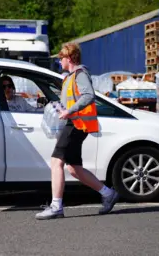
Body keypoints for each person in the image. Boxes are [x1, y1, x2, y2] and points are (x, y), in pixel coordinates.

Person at [35, 42, 120, 220]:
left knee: (56, 161)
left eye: (61, 58)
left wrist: (69, 111)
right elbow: (70, 100)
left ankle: (56, 206)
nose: (59, 62)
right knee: (74, 168)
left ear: (70, 58)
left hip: (77, 125)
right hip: (74, 124)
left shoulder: (80, 74)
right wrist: (59, 108)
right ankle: (108, 194)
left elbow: (89, 95)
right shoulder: (69, 77)